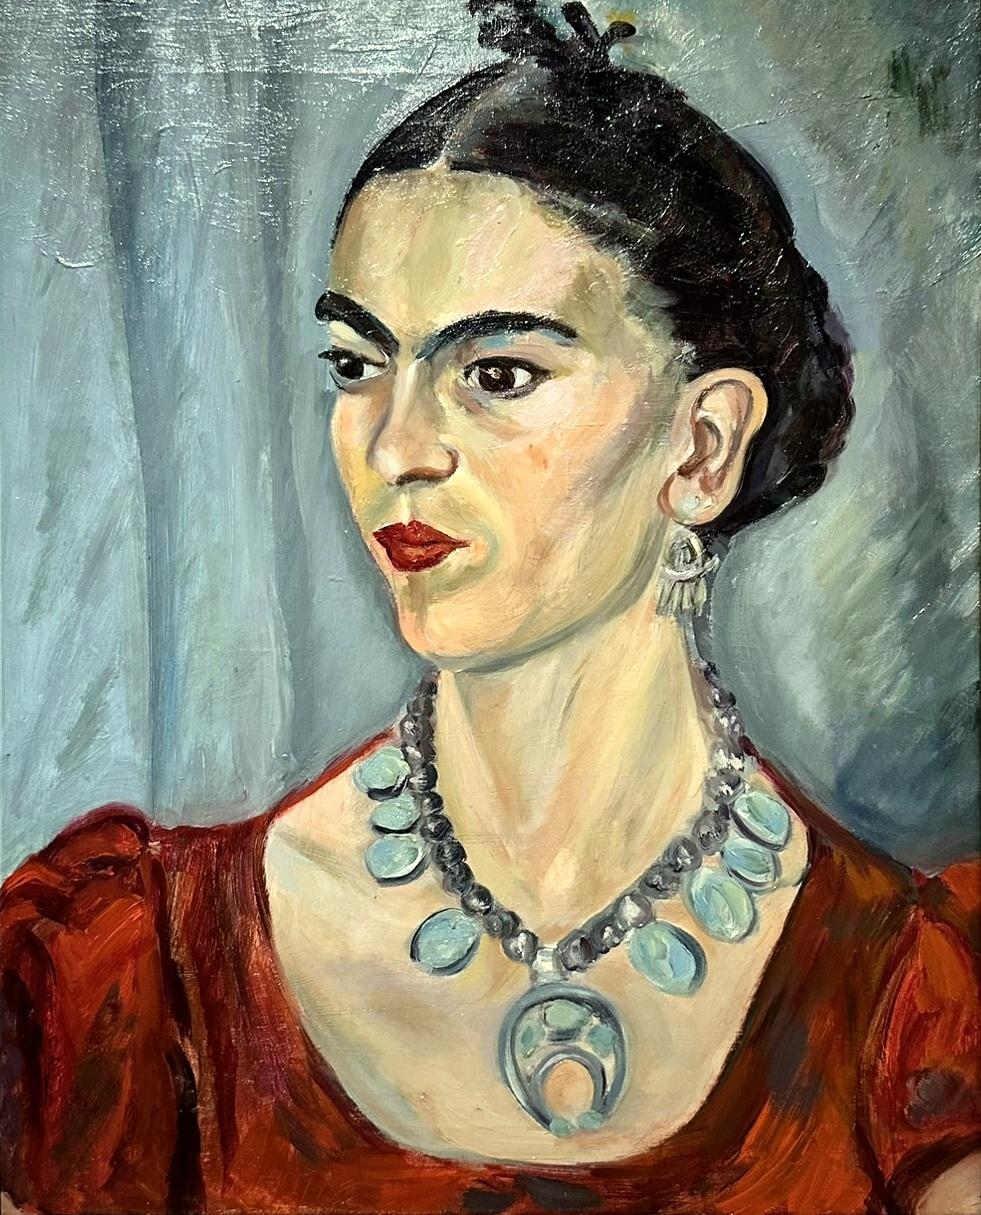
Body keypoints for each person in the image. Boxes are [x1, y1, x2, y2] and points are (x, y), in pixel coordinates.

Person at [2, 4, 978, 1213]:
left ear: (703, 445)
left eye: (497, 374)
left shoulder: (916, 1002)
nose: (395, 450)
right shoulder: (136, 971)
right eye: (358, 365)